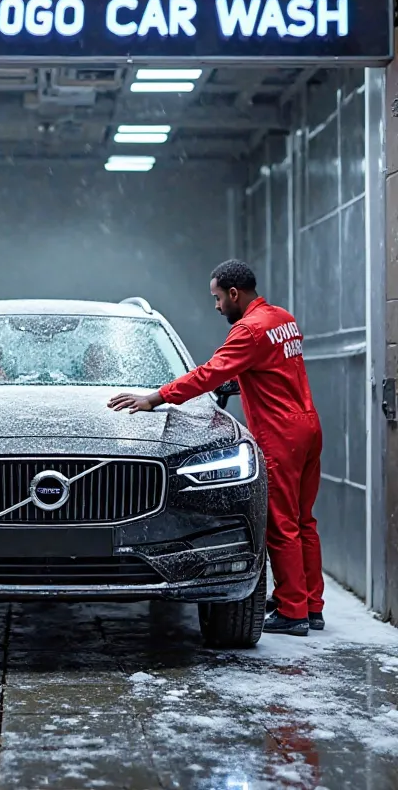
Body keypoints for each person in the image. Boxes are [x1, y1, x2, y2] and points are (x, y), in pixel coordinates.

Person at [108, 259, 324, 638]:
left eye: (218, 297)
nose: (217, 306)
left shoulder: (249, 331)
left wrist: (156, 398)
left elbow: (209, 373)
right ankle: (310, 604)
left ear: (235, 294)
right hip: (306, 424)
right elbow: (274, 370)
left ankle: (292, 613)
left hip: (279, 434)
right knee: (304, 521)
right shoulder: (281, 319)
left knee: (280, 523)